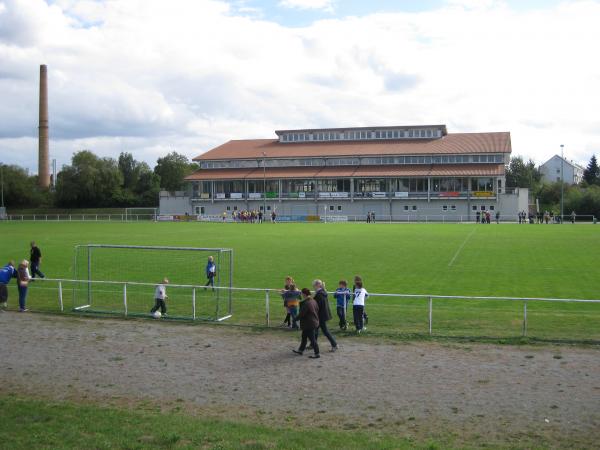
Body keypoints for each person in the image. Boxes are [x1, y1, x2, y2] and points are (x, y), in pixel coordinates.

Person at [293, 288, 320, 358]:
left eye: (301, 294)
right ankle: (301, 350)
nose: (301, 295)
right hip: (313, 322)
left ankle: (317, 353)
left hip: (309, 324)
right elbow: (317, 309)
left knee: (312, 339)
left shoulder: (306, 303)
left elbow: (302, 314)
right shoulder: (313, 300)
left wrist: (295, 319)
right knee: (304, 337)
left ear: (304, 294)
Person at [313, 280, 337, 351]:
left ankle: (334, 344)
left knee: (325, 330)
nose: (313, 287)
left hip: (321, 315)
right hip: (322, 314)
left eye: (314, 285)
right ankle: (313, 344)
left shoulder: (319, 294)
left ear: (317, 285)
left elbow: (317, 305)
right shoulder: (322, 292)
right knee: (316, 330)